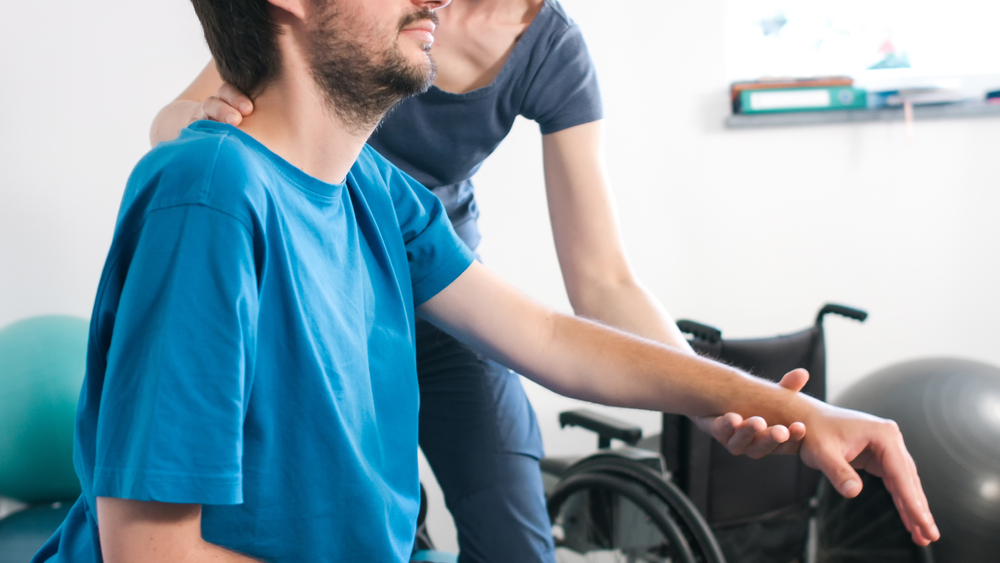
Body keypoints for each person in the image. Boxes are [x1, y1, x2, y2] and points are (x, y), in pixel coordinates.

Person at [35, 0, 938, 561]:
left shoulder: (381, 192)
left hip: (416, 286)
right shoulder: (213, 193)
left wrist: (781, 407)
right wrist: (197, 139)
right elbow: (151, 551)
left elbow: (555, 329)